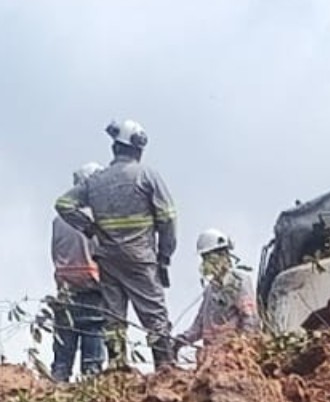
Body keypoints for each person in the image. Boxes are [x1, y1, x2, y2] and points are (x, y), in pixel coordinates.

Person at [55, 119, 180, 371]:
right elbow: (168, 217)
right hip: (140, 258)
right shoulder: (147, 175)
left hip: (108, 259)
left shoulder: (96, 181)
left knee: (113, 317)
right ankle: (165, 368)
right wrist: (164, 257)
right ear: (138, 149)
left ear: (115, 148)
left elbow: (63, 205)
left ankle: (117, 368)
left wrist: (90, 229)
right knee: (154, 315)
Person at [48, 162, 108, 381]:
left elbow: (55, 253)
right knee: (92, 365)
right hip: (93, 294)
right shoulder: (97, 218)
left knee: (61, 363)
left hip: (66, 294)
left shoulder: (58, 220)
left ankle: (56, 396)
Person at [177, 228, 260, 358]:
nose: (207, 263)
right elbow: (199, 325)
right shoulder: (210, 290)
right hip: (212, 358)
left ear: (224, 255)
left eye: (211, 258)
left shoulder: (240, 282)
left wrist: (242, 348)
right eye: (204, 258)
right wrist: (180, 340)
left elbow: (250, 320)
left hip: (235, 357)